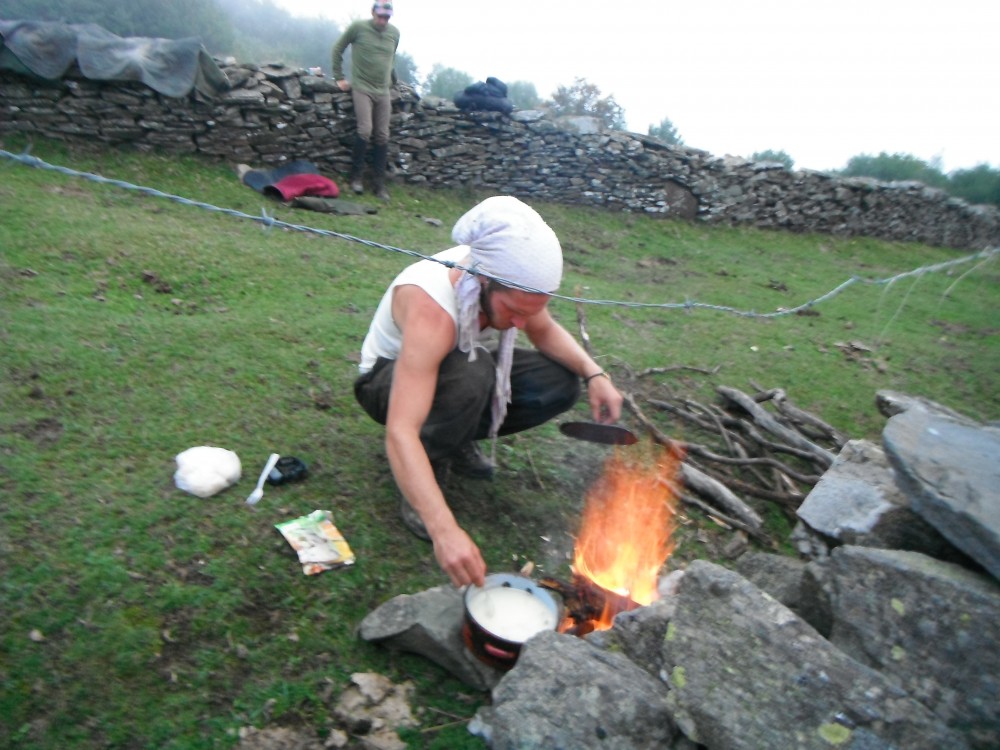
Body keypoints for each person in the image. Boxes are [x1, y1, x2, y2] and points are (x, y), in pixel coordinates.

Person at [354, 196, 624, 588]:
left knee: (559, 381)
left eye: (529, 312)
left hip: (455, 367)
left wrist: (594, 374)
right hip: (384, 382)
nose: (519, 323)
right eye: (514, 311)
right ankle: (425, 471)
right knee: (472, 370)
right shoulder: (433, 308)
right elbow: (401, 430)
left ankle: (455, 435)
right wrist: (444, 530)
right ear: (482, 280)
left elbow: (543, 330)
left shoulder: (511, 278)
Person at [331, 1, 400, 201]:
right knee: (365, 130)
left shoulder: (394, 33)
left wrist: (394, 80)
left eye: (386, 17)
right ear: (372, 13)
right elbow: (338, 49)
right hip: (362, 87)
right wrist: (339, 77)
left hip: (383, 90)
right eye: (380, 16)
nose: (383, 21)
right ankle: (356, 177)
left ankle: (378, 184)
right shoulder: (358, 28)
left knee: (383, 135)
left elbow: (391, 58)